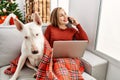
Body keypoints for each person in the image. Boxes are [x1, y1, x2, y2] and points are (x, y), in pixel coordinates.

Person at [4, 7, 88, 80]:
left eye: (65, 14)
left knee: (69, 66)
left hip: (69, 58)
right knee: (59, 68)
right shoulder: (50, 28)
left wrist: (77, 25)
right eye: (61, 15)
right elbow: (44, 43)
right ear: (56, 18)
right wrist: (50, 50)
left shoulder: (72, 30)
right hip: (54, 58)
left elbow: (85, 40)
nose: (65, 17)